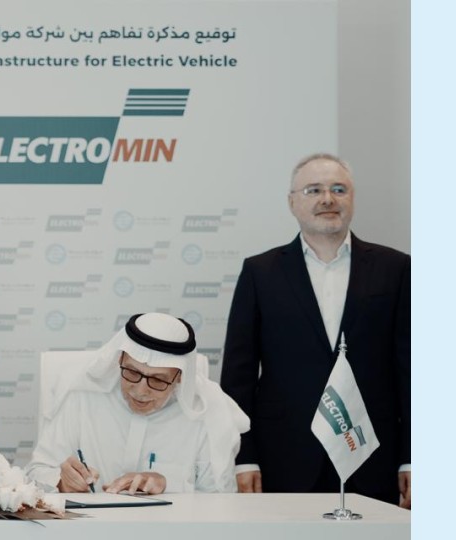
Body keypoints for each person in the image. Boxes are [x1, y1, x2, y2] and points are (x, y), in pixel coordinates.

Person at [220, 153, 410, 508]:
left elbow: (411, 371)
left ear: (352, 198)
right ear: (292, 202)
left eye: (339, 189)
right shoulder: (260, 272)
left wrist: (412, 457)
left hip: (371, 454)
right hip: (284, 456)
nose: (327, 199)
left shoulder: (396, 268)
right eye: (314, 190)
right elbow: (237, 376)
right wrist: (244, 456)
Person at [26, 313, 249, 494]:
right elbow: (35, 472)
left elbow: (219, 499)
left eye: (158, 380)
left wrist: (169, 484)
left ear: (180, 378)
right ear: (120, 360)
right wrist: (61, 482)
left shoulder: (206, 415)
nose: (141, 390)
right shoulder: (82, 396)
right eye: (132, 372)